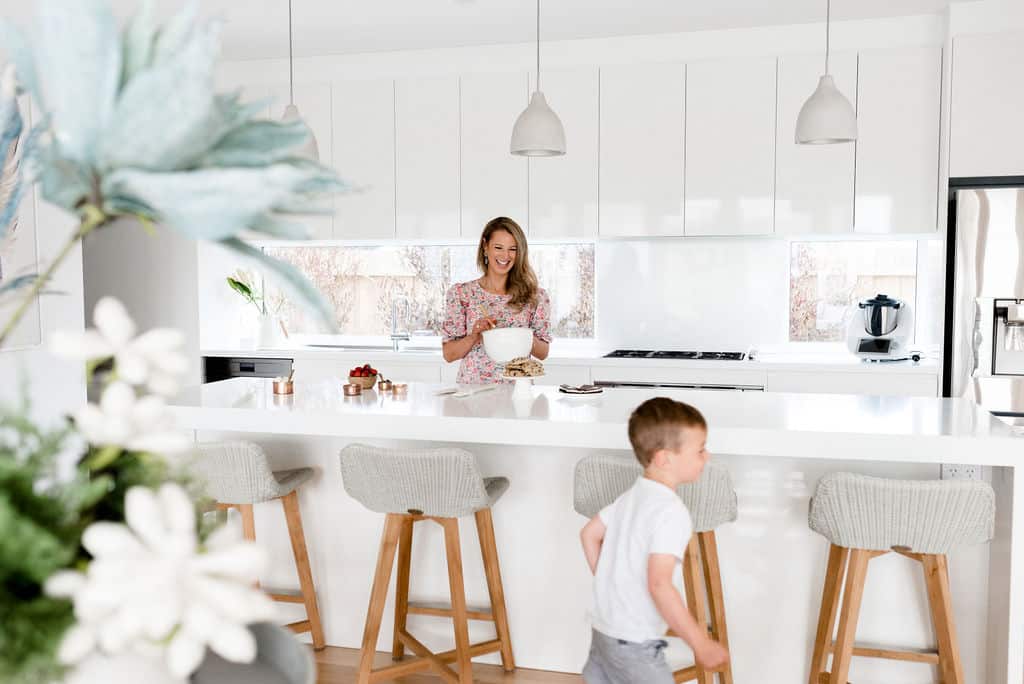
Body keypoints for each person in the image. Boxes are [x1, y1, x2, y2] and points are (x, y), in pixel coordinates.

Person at [579, 397, 730, 683]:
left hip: (604, 630)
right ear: (664, 458)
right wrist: (700, 643)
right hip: (634, 642)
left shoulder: (631, 496)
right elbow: (659, 585)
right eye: (700, 450)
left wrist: (611, 585)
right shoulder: (671, 512)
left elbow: (589, 534)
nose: (706, 456)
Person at [441, 216, 551, 384]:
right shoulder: (461, 294)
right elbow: (449, 354)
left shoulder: (535, 296)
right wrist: (474, 335)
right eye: (498, 247)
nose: (505, 255)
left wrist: (521, 335)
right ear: (485, 247)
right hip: (472, 394)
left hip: (518, 394)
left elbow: (543, 353)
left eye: (512, 249)